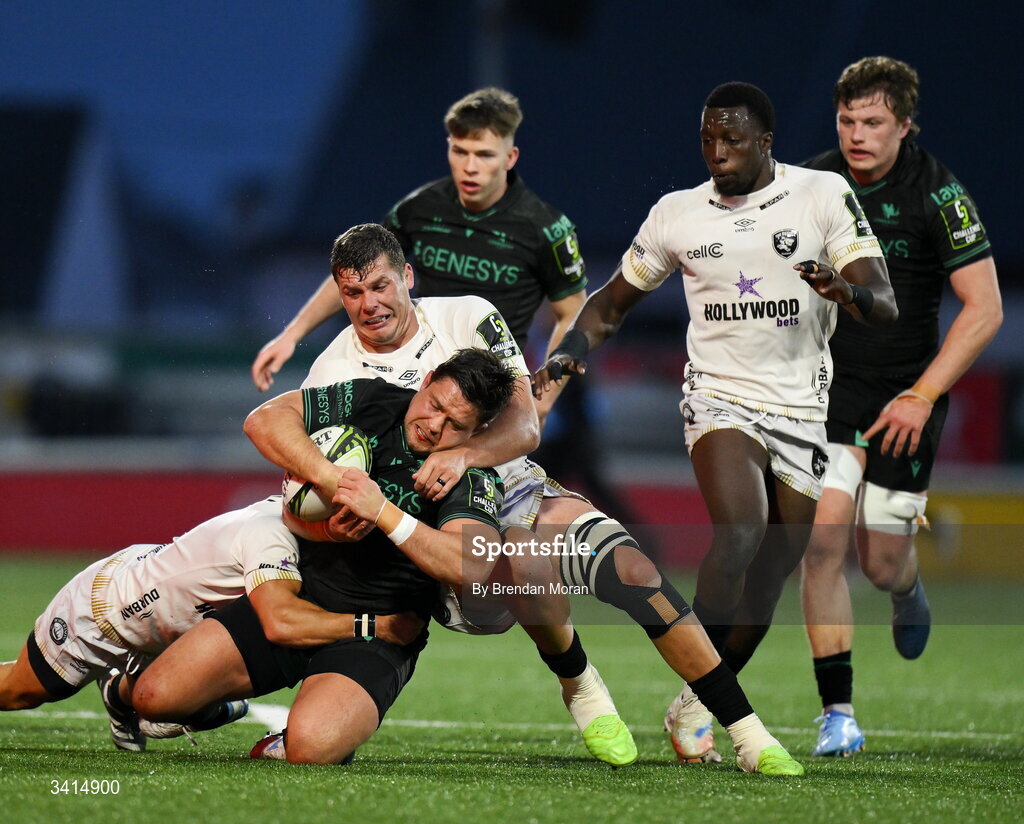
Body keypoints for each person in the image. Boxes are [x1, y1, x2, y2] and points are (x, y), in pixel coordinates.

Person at [259, 222, 805, 774]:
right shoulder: (332, 371)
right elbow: (303, 463)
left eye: (380, 286)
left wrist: (464, 455)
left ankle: (747, 733)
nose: (369, 304)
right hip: (435, 527)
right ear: (338, 291)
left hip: (514, 485)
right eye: (352, 293)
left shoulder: (467, 316)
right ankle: (579, 681)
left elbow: (525, 427)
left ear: (407, 276)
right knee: (524, 562)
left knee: (636, 572)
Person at [535, 82, 898, 763]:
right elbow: (612, 302)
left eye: (732, 140)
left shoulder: (821, 195)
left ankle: (699, 700)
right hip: (718, 398)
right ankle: (721, 701)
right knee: (739, 532)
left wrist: (843, 291)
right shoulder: (678, 214)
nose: (718, 152)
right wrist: (571, 352)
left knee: (770, 574)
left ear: (766, 141)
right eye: (708, 139)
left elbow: (884, 303)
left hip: (802, 409)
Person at [130, 350, 519, 765]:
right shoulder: (375, 399)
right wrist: (334, 480)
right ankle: (213, 705)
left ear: (479, 431)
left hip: (382, 634)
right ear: (424, 382)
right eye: (435, 405)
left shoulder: (471, 475)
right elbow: (263, 420)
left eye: (456, 425)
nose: (434, 426)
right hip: (299, 597)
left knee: (311, 747)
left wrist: (382, 511)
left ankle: (293, 735)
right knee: (155, 699)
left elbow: (471, 565)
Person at [798, 57, 1001, 757]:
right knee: (821, 544)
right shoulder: (814, 183)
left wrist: (922, 395)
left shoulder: (937, 193)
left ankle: (907, 590)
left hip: (904, 398)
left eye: (874, 123)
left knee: (881, 562)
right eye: (847, 120)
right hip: (828, 393)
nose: (857, 135)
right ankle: (838, 714)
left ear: (905, 126)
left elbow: (985, 310)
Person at [0, 498, 420, 750]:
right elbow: (279, 623)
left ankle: (123, 690)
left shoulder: (295, 529)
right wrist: (375, 627)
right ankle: (137, 688)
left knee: (174, 695)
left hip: (162, 616)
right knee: (18, 692)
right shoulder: (270, 538)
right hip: (102, 617)